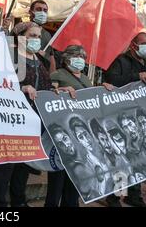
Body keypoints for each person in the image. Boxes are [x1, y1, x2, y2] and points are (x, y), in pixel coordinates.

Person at [0, 22, 53, 207]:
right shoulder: (10, 56)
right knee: (5, 164)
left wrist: (58, 90)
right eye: (32, 35)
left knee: (24, 165)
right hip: (12, 117)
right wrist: (22, 87)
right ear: (20, 36)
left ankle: (18, 201)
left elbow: (46, 87)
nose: (36, 40)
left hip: (32, 120)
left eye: (38, 36)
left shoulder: (40, 61)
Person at [45, 45, 113, 207]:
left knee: (75, 180)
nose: (80, 59)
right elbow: (48, 94)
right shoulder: (57, 74)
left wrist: (102, 89)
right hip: (63, 134)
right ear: (67, 58)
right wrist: (60, 90)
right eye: (77, 56)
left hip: (81, 135)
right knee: (57, 180)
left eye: (83, 57)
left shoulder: (85, 78)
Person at [104, 32, 146, 207]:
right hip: (122, 117)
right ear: (134, 45)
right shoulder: (121, 61)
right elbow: (111, 80)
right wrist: (136, 77)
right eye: (144, 43)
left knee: (138, 158)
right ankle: (115, 196)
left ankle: (134, 195)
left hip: (140, 117)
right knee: (122, 159)